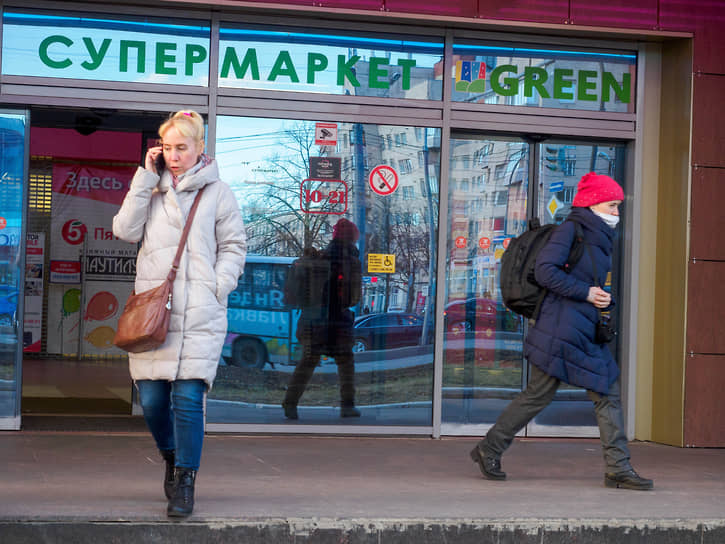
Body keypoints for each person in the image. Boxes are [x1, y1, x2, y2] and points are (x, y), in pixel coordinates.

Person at [470, 172, 654, 491]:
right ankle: (490, 448)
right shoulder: (572, 230)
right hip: (560, 328)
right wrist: (585, 292)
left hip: (583, 329)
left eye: (618, 207)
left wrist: (600, 298)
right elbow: (544, 271)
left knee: (603, 391)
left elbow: (585, 281)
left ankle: (618, 468)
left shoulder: (599, 237)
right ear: (594, 203)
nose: (617, 213)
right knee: (544, 394)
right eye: (612, 205)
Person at [113, 110, 246, 517]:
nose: (173, 155)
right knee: (152, 398)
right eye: (167, 147)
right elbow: (124, 230)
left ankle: (186, 479)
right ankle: (170, 455)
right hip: (156, 313)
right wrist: (143, 178)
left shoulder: (219, 192)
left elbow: (234, 246)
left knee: (188, 397)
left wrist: (217, 286)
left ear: (200, 148)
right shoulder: (150, 189)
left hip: (201, 312)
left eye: (181, 147)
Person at [282, 218, 362, 420]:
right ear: (352, 238)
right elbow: (354, 298)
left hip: (312, 320)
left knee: (307, 362)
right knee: (346, 362)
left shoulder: (319, 257)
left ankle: (290, 403)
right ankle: (347, 406)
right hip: (338, 322)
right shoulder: (350, 261)